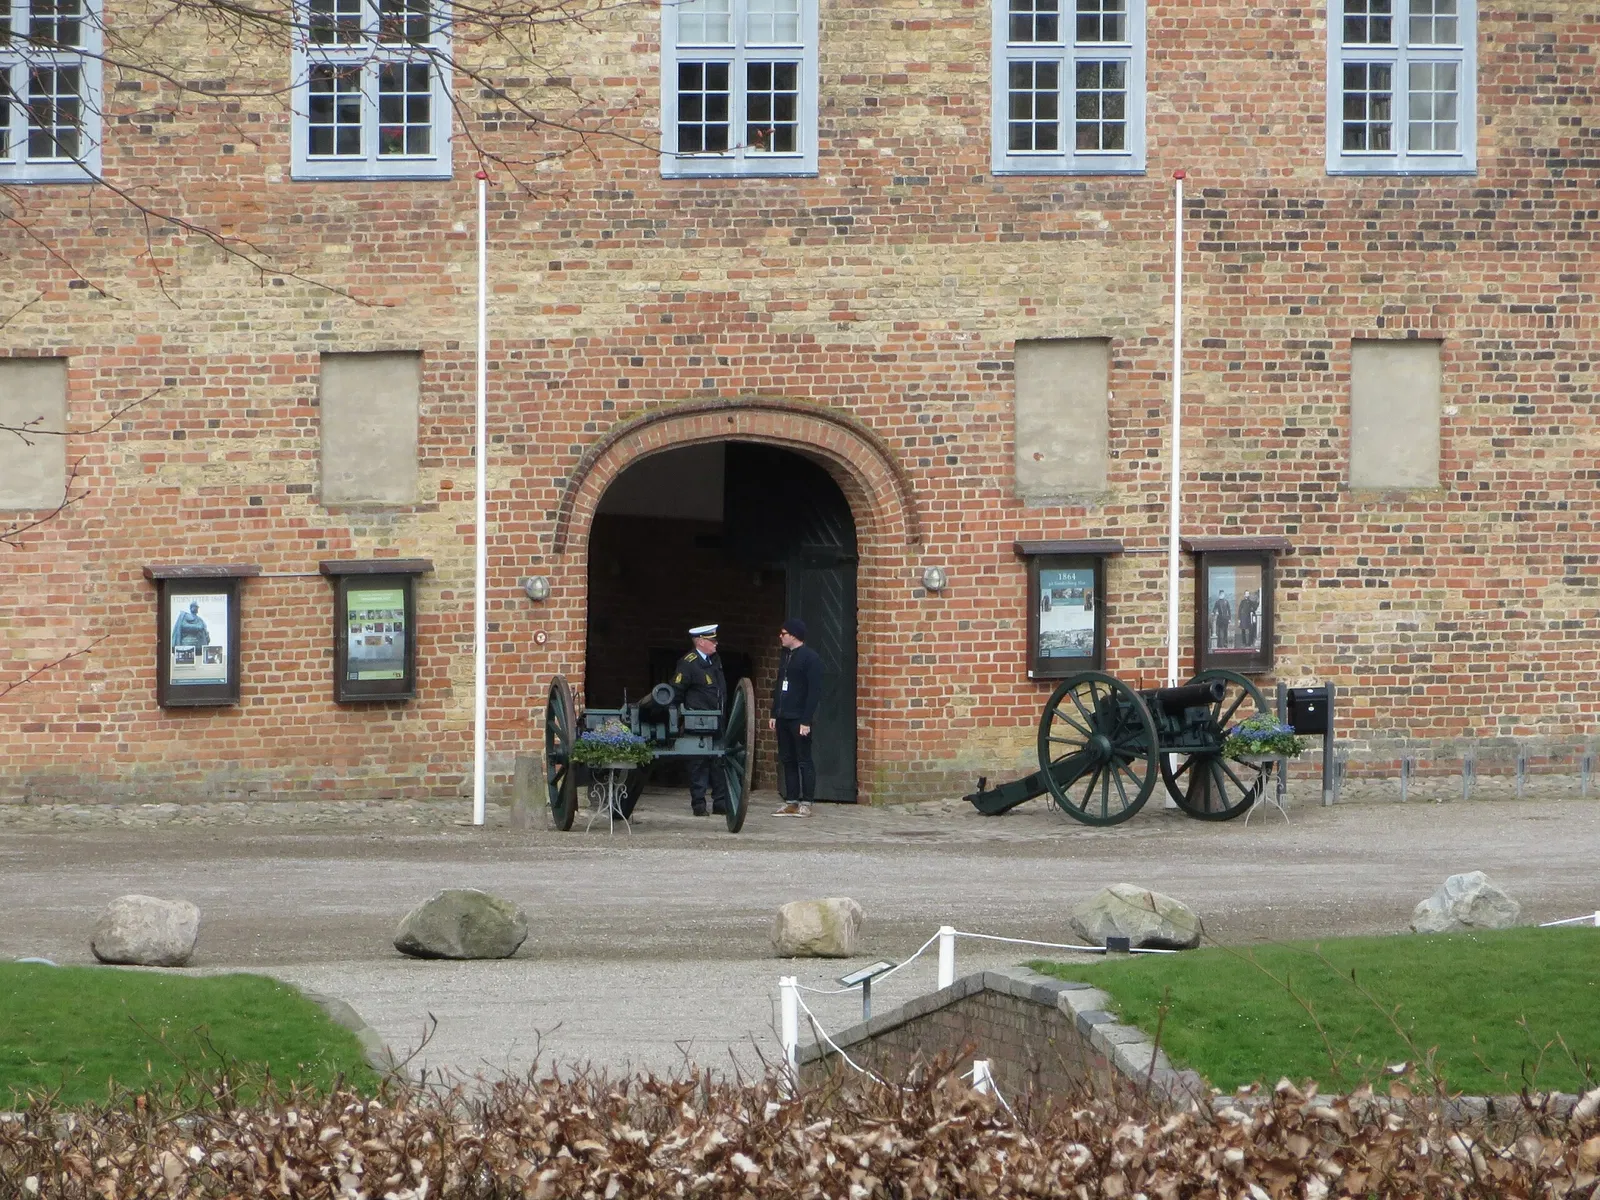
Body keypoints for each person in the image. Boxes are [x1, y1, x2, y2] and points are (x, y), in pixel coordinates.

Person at [670, 623, 730, 817]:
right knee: (698, 764)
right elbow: (676, 692)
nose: (716, 644)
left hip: (717, 719)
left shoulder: (715, 660)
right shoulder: (688, 663)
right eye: (712, 640)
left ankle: (720, 803)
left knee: (719, 761)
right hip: (698, 722)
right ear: (701, 641)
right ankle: (699, 804)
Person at [770, 617, 823, 817]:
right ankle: (791, 800)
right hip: (784, 716)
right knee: (787, 759)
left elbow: (813, 692)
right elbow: (779, 685)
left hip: (799, 717)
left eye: (784, 634)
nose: (781, 637)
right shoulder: (785, 656)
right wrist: (775, 712)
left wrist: (806, 720)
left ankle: (806, 801)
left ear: (794, 635)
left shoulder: (811, 658)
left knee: (803, 760)